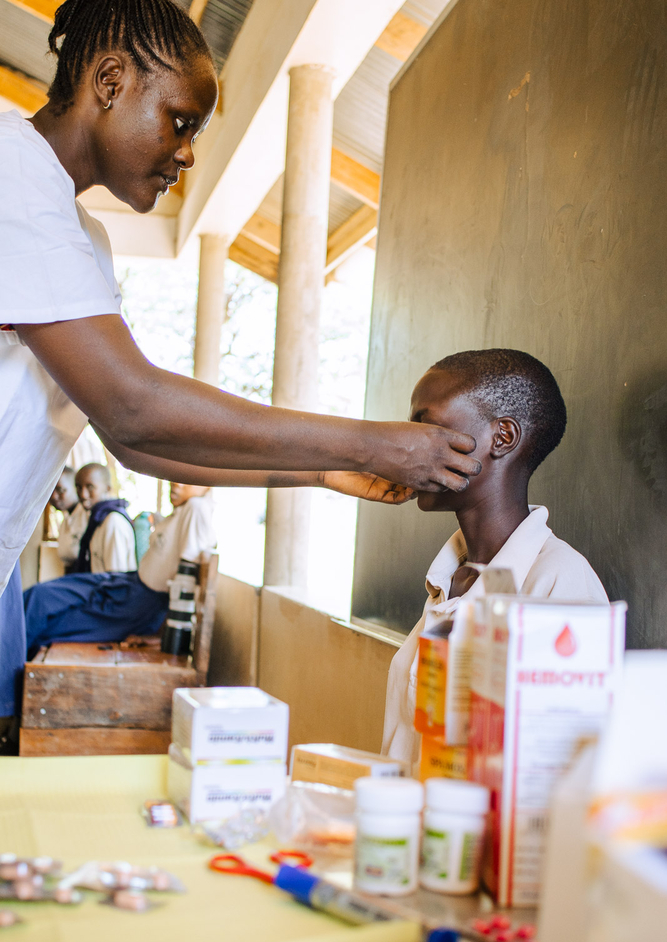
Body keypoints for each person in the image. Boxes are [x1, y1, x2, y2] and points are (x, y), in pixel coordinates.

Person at [0, 0, 481, 610]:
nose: (188, 155)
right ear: (111, 81)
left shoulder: (84, 241)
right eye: (180, 122)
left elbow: (137, 446)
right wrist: (367, 442)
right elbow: (133, 405)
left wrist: (320, 471)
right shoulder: (11, 171)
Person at [382, 349, 608, 766]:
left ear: (501, 438)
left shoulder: (557, 582)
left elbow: (561, 774)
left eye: (424, 426)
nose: (404, 446)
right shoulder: (449, 579)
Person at [23, 481, 215, 658]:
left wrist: (163, 636)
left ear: (207, 483)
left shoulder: (197, 508)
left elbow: (186, 582)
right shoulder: (183, 510)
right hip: (128, 583)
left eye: (186, 480)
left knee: (46, 624)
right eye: (175, 476)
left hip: (138, 606)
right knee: (39, 595)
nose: (176, 483)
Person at [71, 463, 136, 574]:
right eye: (78, 487)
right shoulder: (96, 519)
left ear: (107, 488)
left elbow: (115, 578)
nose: (83, 495)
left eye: (90, 487)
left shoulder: (113, 522)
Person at [49, 467, 89, 570]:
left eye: (60, 490)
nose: (54, 496)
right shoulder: (66, 519)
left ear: (76, 488)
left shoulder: (88, 516)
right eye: (50, 490)